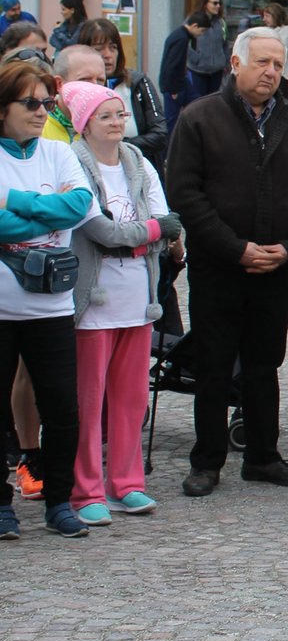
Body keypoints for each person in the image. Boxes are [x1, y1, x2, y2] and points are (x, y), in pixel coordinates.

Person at [165, 27, 288, 498]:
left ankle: (262, 456)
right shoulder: (200, 118)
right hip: (219, 267)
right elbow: (185, 195)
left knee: (264, 364)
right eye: (262, 62)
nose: (272, 72)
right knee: (214, 366)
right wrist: (236, 248)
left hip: (275, 267)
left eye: (279, 64)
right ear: (235, 64)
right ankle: (207, 460)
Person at [62, 81, 179, 525]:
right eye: (106, 116)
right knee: (89, 402)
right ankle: (85, 490)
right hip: (93, 302)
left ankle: (127, 483)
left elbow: (166, 220)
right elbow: (101, 230)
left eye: (120, 115)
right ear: (85, 124)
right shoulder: (73, 162)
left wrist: (149, 233)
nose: (117, 123)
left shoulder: (137, 160)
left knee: (130, 399)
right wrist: (149, 233)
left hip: (138, 300)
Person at [0, 62, 97, 538]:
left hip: (52, 307)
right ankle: (1, 505)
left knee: (63, 409)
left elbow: (79, 208)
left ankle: (59, 500)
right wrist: (49, 213)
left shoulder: (59, 154)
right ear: (3, 109)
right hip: (2, 307)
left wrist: (15, 203)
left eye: (47, 103)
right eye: (31, 103)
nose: (42, 112)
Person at [78, 18, 166, 168]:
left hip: (138, 168)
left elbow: (160, 134)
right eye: (99, 49)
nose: (107, 55)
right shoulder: (78, 89)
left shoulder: (138, 83)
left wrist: (119, 145)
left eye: (113, 48)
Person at [43, 47, 107, 143]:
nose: (95, 87)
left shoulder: (109, 126)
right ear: (59, 84)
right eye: (85, 80)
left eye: (100, 81)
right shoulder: (38, 127)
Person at [158, 10, 211, 124]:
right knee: (173, 119)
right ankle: (173, 141)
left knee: (198, 103)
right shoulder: (182, 38)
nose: (201, 34)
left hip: (179, 82)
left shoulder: (179, 35)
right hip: (174, 85)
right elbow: (172, 64)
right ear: (194, 26)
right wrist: (173, 90)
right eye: (201, 31)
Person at [185, 0, 229, 102]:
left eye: (219, 3)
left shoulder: (221, 23)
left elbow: (225, 43)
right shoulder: (193, 20)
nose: (218, 6)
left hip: (216, 71)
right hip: (199, 71)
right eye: (214, 3)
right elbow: (185, 43)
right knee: (199, 102)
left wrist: (225, 61)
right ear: (205, 4)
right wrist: (196, 59)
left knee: (213, 102)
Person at [261, 3, 288, 77]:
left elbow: (276, 49)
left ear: (276, 16)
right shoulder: (267, 31)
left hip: (283, 77)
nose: (264, 19)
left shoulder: (287, 30)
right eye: (264, 16)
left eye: (267, 16)